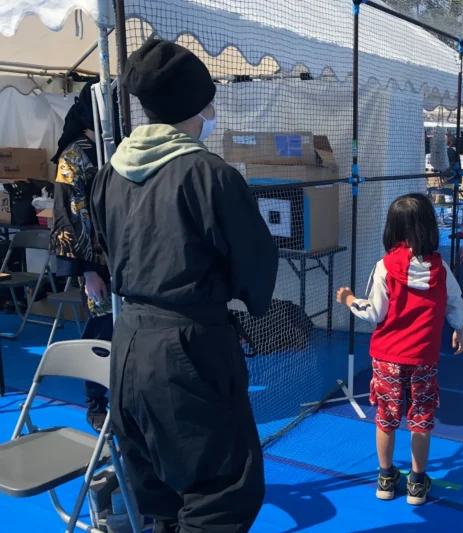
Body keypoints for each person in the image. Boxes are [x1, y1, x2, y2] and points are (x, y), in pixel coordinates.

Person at [90, 38, 278, 532]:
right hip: (188, 347)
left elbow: (110, 253)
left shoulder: (111, 173)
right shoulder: (207, 174)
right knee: (223, 493)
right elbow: (255, 268)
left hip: (127, 342)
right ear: (197, 103)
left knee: (158, 488)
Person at [335, 193, 463, 506]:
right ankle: (417, 483)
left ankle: (385, 477)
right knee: (421, 420)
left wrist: (350, 300)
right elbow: (455, 301)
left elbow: (374, 313)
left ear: (393, 228)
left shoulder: (385, 267)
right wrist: (458, 327)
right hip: (423, 359)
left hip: (386, 359)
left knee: (385, 418)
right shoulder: (441, 269)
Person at [49, 78, 118, 433]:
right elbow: (68, 216)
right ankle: (96, 400)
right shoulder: (73, 156)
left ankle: (126, 394)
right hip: (97, 261)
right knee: (103, 328)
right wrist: (88, 271)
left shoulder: (119, 145)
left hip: (130, 256)